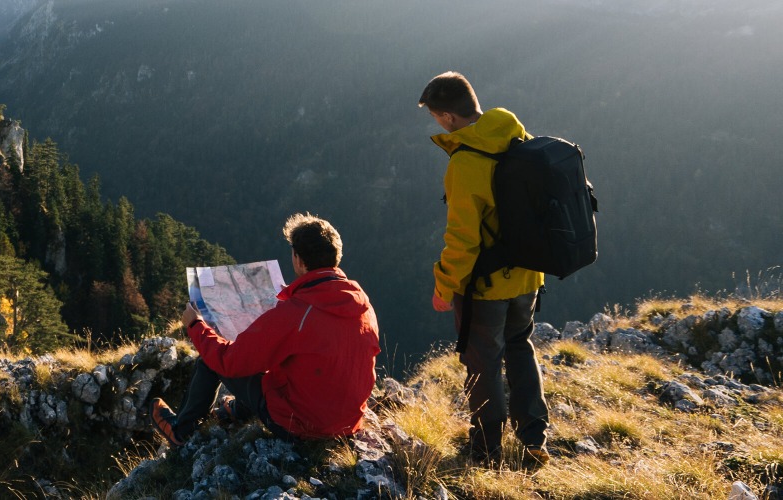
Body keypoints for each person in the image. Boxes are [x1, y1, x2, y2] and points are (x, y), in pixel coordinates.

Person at [149, 213, 380, 443]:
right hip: (348, 422)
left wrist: (195, 324)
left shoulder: (296, 314)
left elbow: (228, 361)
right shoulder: (362, 304)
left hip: (302, 426)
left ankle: (181, 431)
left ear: (299, 260)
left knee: (211, 361)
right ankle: (237, 411)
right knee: (281, 359)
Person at [418, 71, 550, 467]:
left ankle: (487, 449)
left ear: (447, 117)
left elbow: (463, 239)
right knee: (520, 346)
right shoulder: (515, 136)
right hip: (529, 273)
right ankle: (532, 438)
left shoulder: (465, 162)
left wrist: (444, 286)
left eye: (436, 117)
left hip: (485, 285)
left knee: (484, 361)